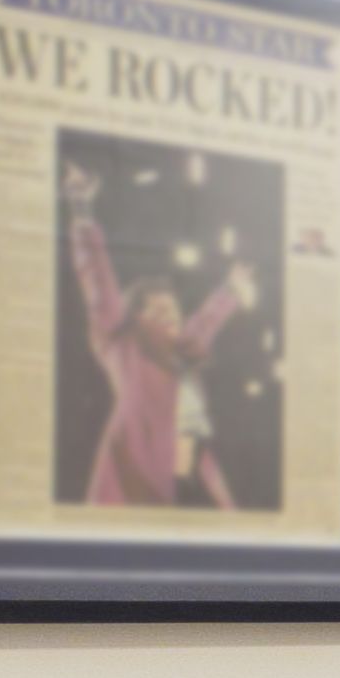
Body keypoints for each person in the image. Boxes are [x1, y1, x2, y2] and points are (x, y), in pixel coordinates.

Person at [61, 160, 256, 508]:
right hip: (143, 473)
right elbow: (98, 279)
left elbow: (203, 323)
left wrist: (229, 290)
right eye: (159, 311)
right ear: (135, 318)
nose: (172, 317)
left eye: (174, 310)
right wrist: (81, 208)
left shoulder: (179, 351)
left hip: (195, 473)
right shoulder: (122, 342)